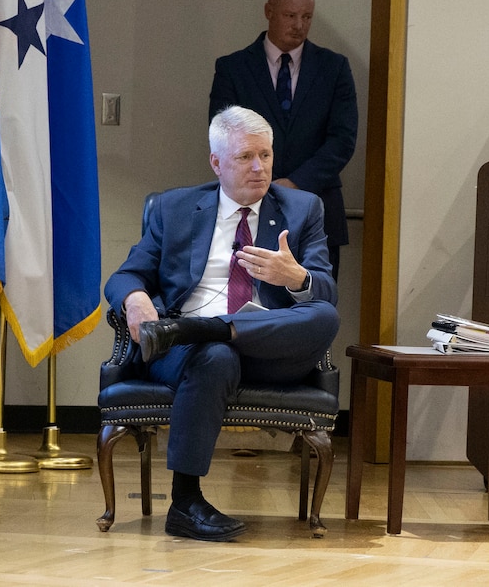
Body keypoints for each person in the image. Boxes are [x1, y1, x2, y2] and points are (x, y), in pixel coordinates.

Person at [104, 106, 339, 542]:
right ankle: (185, 503)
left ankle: (203, 328)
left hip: (270, 349)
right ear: (216, 162)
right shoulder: (173, 208)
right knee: (213, 355)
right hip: (188, 353)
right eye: (245, 157)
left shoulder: (303, 209)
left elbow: (325, 292)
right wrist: (135, 300)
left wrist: (297, 278)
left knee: (323, 314)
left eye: (266, 156)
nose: (259, 167)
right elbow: (126, 275)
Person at [209, 0, 358, 280]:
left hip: (318, 207)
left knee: (316, 306)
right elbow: (222, 134)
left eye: (306, 17)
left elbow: (343, 139)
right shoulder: (233, 68)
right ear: (269, 11)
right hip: (247, 207)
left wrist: (296, 183)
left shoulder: (334, 68)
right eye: (291, 16)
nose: (299, 25)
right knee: (250, 305)